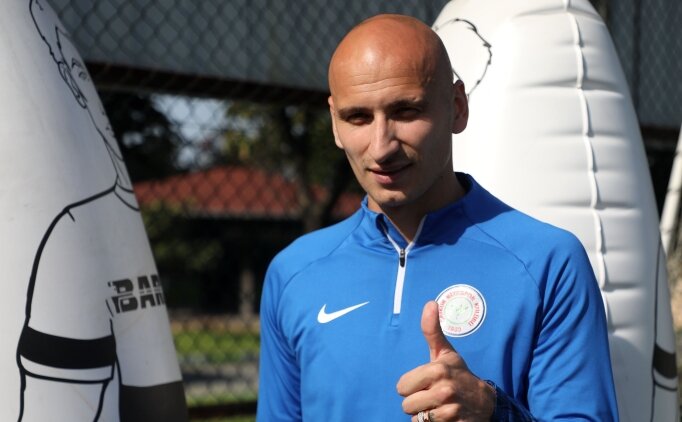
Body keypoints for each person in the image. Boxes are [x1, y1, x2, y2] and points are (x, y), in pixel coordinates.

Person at [257, 13, 619, 421]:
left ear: (457, 108)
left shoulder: (548, 263)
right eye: (358, 117)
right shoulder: (293, 272)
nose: (381, 146)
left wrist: (493, 413)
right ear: (335, 124)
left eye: (406, 111)